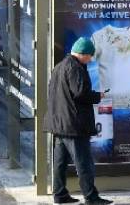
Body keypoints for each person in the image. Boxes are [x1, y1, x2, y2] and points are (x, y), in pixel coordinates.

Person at [43, 37, 113, 205]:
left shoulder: (59, 67)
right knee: (84, 162)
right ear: (83, 54)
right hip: (73, 125)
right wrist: (99, 95)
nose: (90, 60)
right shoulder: (76, 68)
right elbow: (80, 93)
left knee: (60, 163)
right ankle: (91, 197)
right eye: (89, 56)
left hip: (59, 123)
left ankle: (60, 194)